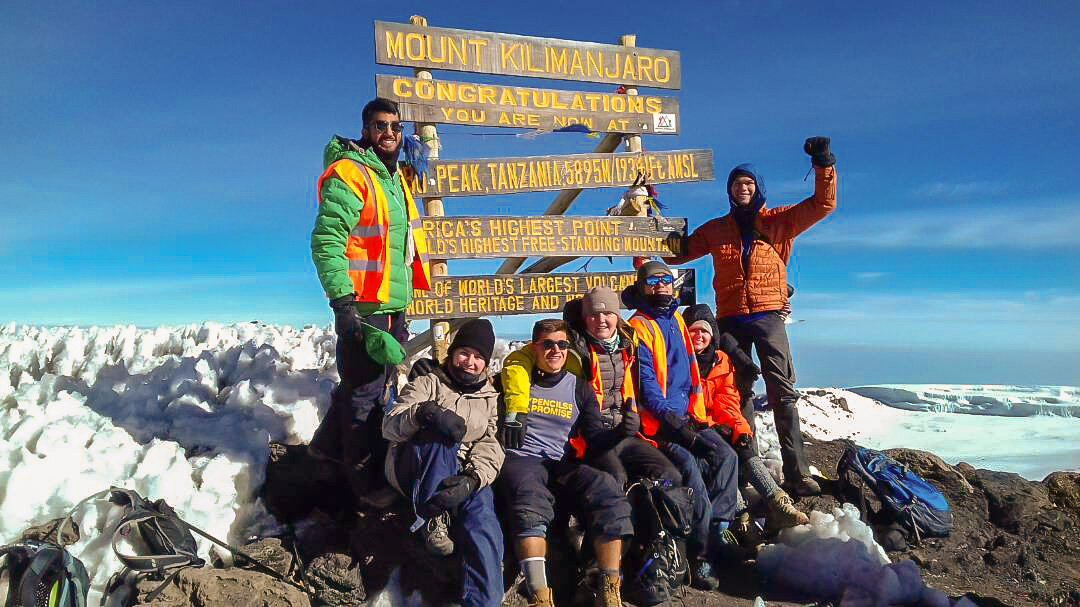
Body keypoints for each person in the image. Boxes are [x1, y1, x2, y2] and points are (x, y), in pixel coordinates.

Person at [664, 137, 838, 496]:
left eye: (749, 183)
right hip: (730, 319)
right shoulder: (715, 229)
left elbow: (823, 204)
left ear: (759, 189)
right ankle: (749, 467)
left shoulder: (780, 222)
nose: (742, 188)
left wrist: (823, 164)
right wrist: (640, 240)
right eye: (736, 183)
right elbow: (678, 255)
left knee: (782, 392)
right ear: (729, 191)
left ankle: (797, 473)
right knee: (738, 391)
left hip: (769, 315)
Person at [308, 97, 432, 504]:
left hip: (390, 305)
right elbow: (327, 241)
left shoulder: (393, 178)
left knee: (362, 388)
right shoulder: (351, 173)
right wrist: (342, 305)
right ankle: (365, 486)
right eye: (380, 126)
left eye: (396, 127)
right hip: (363, 308)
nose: (389, 133)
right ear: (365, 130)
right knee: (365, 394)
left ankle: (323, 450)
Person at [621, 260, 741, 589]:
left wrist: (696, 421)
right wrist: (680, 429)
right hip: (660, 426)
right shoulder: (639, 327)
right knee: (690, 469)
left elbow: (688, 374)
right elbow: (647, 390)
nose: (660, 285)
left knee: (727, 457)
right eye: (652, 280)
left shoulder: (676, 318)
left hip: (689, 416)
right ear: (642, 286)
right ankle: (700, 558)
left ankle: (717, 529)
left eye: (666, 279)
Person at [497, 319, 633, 607]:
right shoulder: (515, 379)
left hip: (561, 461)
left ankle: (610, 590)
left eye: (561, 344)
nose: (555, 350)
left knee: (607, 489)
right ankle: (540, 597)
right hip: (523, 458)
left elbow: (595, 437)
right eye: (547, 344)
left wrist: (621, 432)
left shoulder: (579, 387)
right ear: (534, 347)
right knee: (529, 501)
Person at [500, 286, 681, 487]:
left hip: (627, 431)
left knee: (669, 475)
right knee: (615, 479)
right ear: (585, 318)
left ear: (617, 317)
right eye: (594, 314)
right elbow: (520, 359)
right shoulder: (572, 345)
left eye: (608, 313)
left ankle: (645, 509)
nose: (601, 320)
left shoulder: (630, 342)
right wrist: (516, 409)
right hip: (592, 435)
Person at [382, 319, 504, 607]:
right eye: (464, 352)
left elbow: (491, 444)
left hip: (462, 472)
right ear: (452, 352)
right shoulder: (428, 381)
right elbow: (389, 426)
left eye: (478, 357)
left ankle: (485, 601)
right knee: (441, 437)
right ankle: (431, 517)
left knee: (483, 519)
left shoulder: (490, 398)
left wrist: (473, 479)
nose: (469, 362)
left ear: (486, 363)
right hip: (415, 465)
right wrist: (425, 412)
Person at [682, 303, 809, 538]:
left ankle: (777, 501)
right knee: (721, 456)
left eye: (704, 330)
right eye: (693, 330)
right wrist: (713, 426)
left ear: (713, 334)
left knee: (740, 446)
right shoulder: (678, 362)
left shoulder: (721, 360)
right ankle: (742, 517)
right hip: (693, 427)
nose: (698, 335)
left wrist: (738, 429)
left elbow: (728, 402)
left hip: (713, 424)